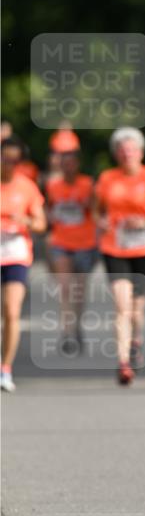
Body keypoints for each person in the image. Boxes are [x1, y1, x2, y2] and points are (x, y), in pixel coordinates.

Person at [93, 128, 145, 385]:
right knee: (121, 305)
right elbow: (95, 212)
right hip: (114, 247)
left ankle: (136, 340)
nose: (127, 154)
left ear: (140, 152)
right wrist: (102, 222)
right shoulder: (107, 179)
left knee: (137, 310)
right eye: (122, 150)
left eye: (131, 149)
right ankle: (123, 362)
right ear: (116, 153)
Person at [1, 135, 47, 391]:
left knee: (11, 311)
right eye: (5, 158)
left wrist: (25, 221)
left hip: (15, 254)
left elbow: (41, 224)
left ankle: (5, 369)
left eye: (14, 160)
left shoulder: (26, 186)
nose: (9, 164)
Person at [45, 147, 98, 355]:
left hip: (85, 243)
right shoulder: (52, 185)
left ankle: (77, 327)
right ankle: (67, 332)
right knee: (65, 288)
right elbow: (46, 209)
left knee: (79, 291)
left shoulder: (88, 184)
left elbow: (98, 211)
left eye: (71, 163)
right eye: (64, 164)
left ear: (77, 164)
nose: (68, 167)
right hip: (61, 242)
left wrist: (88, 205)